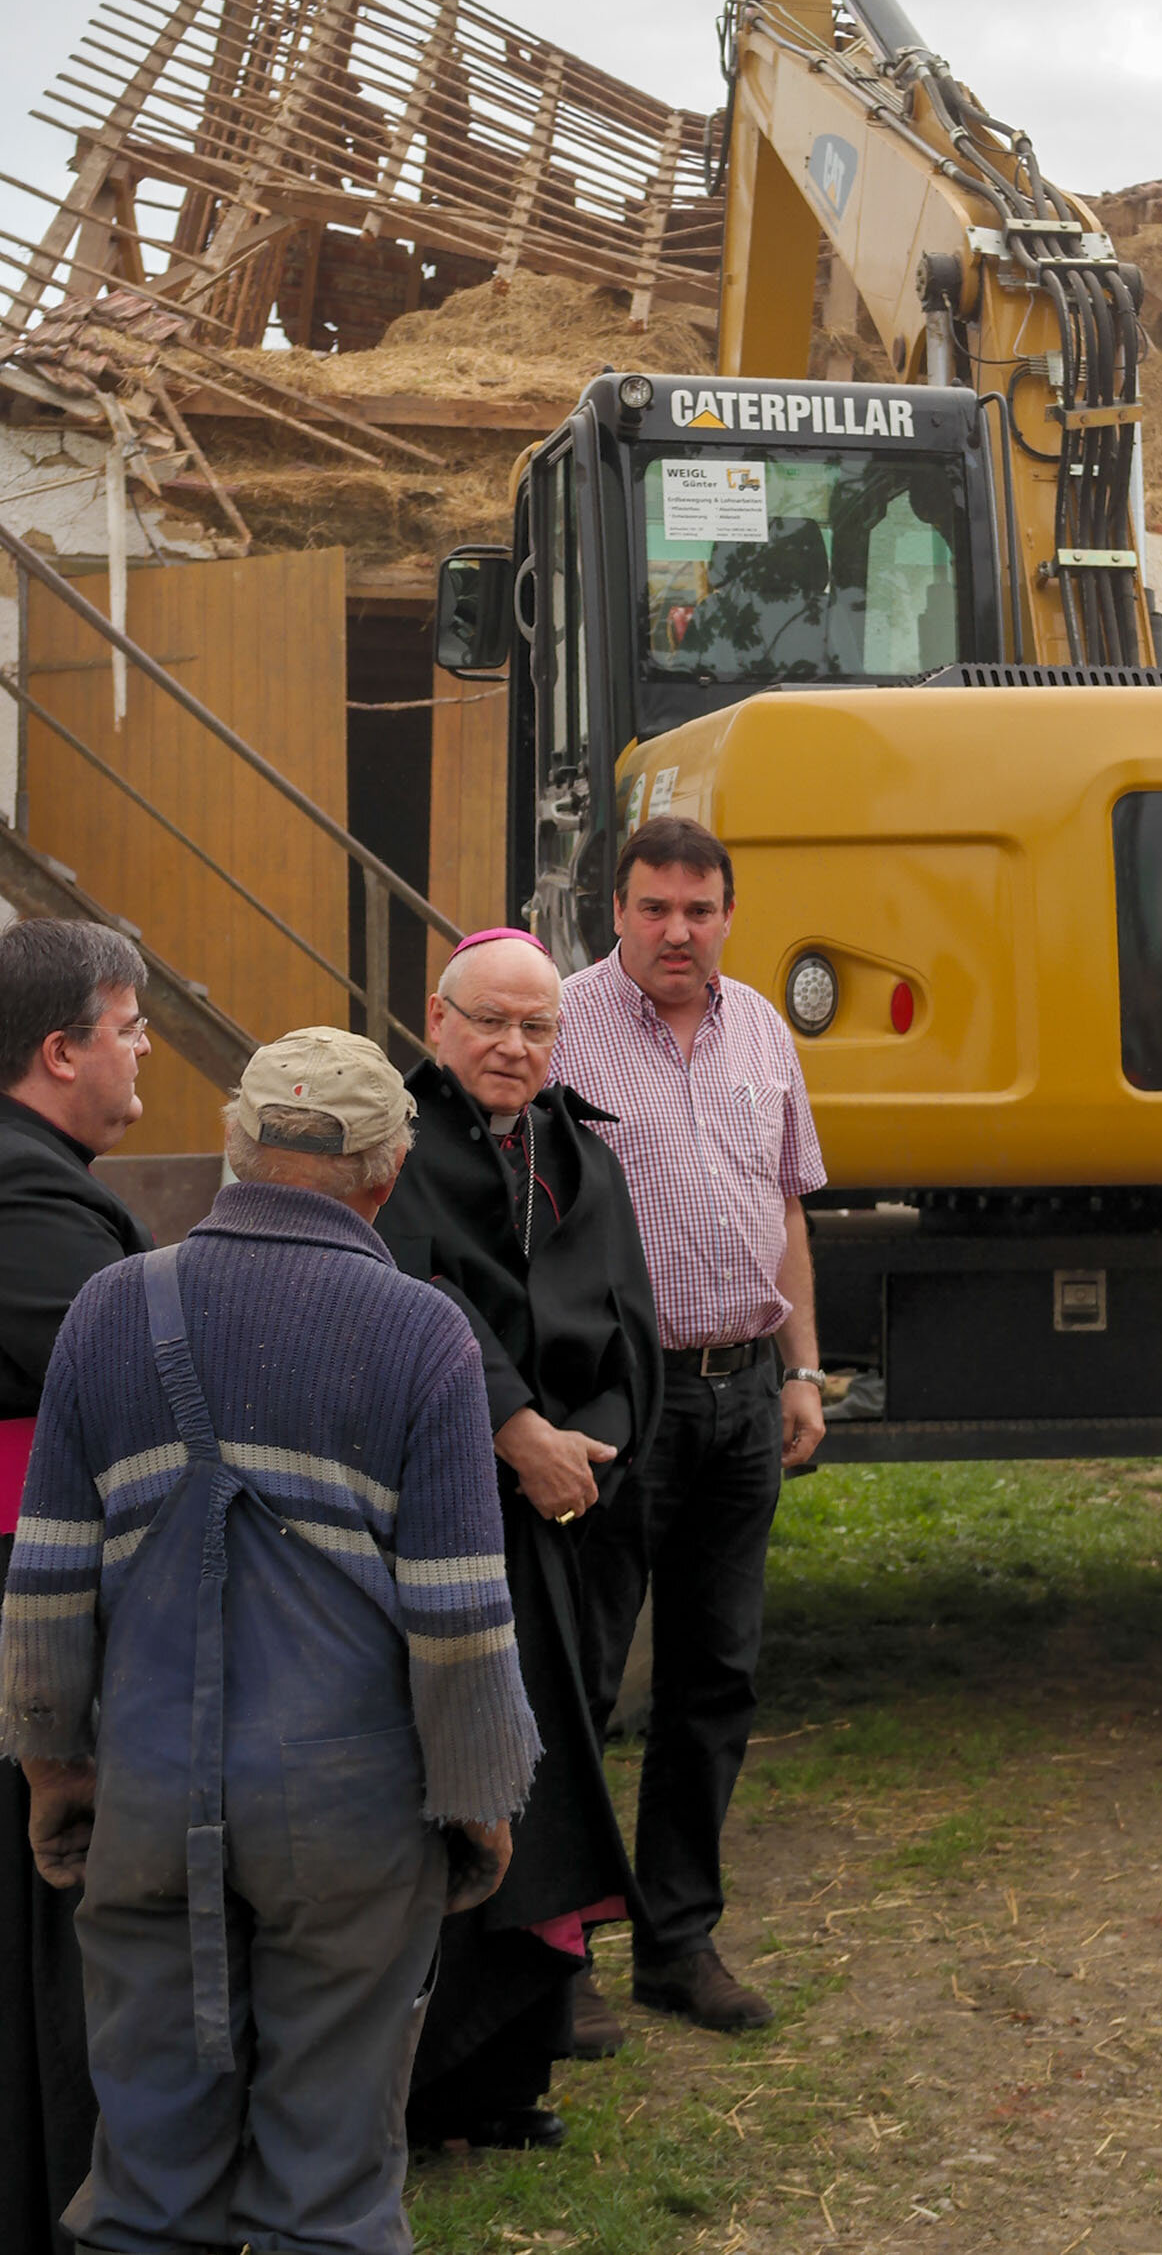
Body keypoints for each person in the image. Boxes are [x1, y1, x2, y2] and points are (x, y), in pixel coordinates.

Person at [0, 1025, 540, 2255]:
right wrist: (480, 1799)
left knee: (144, 2190)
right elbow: (459, 1607)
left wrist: (54, 1767)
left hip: (145, 1794)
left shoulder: (110, 1307)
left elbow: (47, 1574)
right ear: (388, 1172)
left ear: (235, 1148)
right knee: (328, 2191)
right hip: (350, 1815)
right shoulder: (423, 1333)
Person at [376, 927, 664, 2143]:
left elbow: (631, 1323)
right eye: (489, 1019)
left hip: (570, 1515)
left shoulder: (580, 1154)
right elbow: (416, 1303)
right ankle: (428, 2083)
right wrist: (517, 1432)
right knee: (464, 1783)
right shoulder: (395, 1150)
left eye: (536, 1026)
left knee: (550, 1777)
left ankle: (508, 2077)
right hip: (456, 1511)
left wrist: (589, 1450)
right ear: (437, 1019)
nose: (512, 1044)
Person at [550, 814, 827, 2034]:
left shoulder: (760, 1026)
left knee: (715, 1676)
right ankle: (558, 1954)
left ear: (728, 916)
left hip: (743, 1392)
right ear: (615, 910)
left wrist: (803, 1369)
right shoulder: (560, 1028)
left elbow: (787, 1208)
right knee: (582, 1675)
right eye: (654, 907)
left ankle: (677, 1940)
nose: (678, 930)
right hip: (615, 1398)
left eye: (699, 909)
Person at [0, 918, 153, 2255]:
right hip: (30, 1618)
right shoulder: (34, 1206)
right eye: (130, 1028)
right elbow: (118, 1401)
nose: (144, 1050)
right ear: (61, 1049)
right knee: (51, 1936)